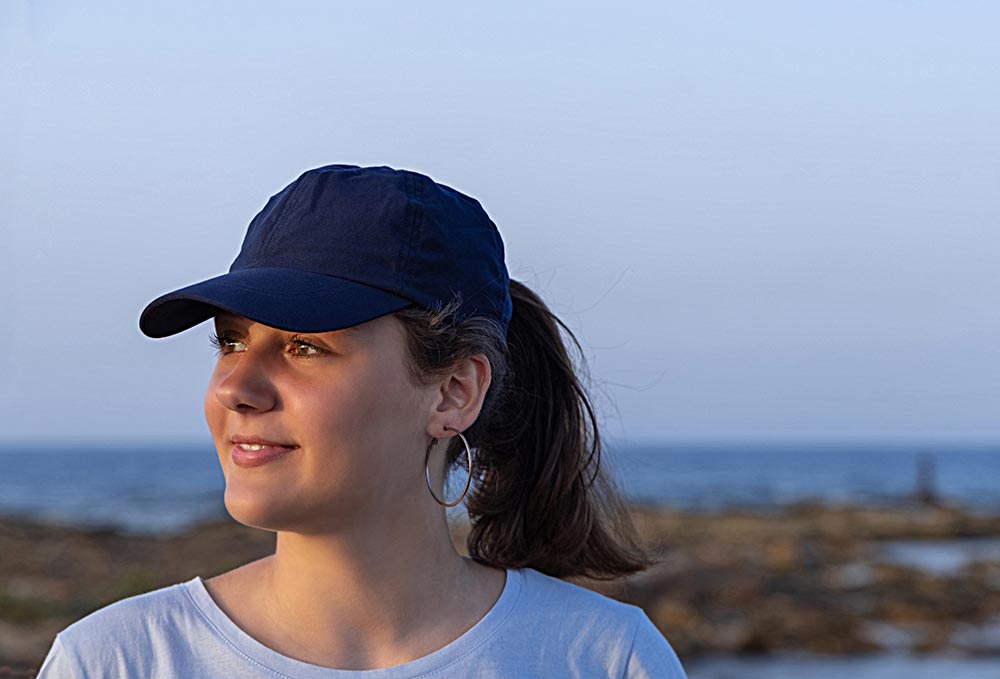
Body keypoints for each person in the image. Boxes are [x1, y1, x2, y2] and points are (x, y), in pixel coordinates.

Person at [37, 164, 688, 678]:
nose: (235, 385)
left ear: (454, 392)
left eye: (305, 346)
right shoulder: (115, 660)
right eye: (231, 341)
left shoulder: (603, 659)